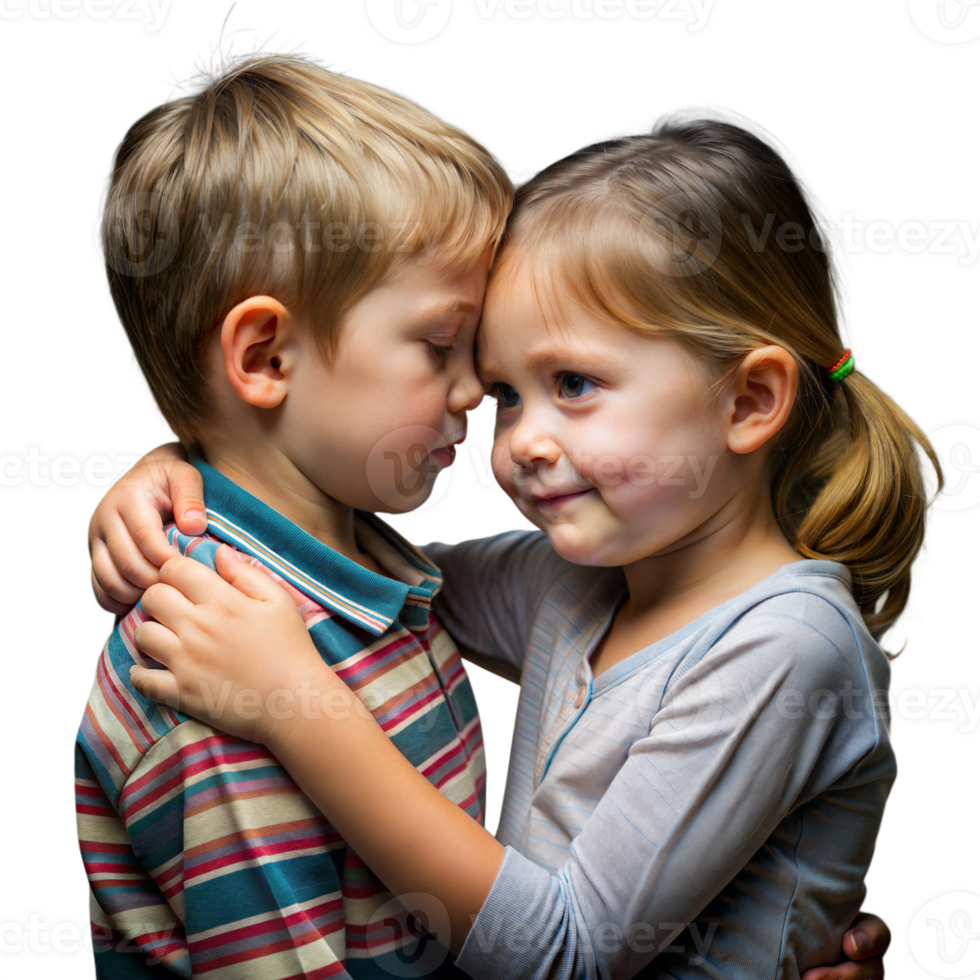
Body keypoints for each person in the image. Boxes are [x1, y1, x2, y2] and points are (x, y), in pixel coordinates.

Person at [84, 99, 927, 978]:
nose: (513, 439)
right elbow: (364, 595)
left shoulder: (785, 648)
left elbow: (565, 954)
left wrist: (295, 703)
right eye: (507, 393)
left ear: (749, 402)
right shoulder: (579, 581)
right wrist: (182, 460)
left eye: (574, 382)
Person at [72, 18, 518, 978]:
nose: (478, 387)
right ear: (266, 357)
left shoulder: (358, 556)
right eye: (443, 344)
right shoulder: (215, 670)